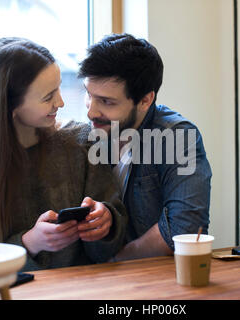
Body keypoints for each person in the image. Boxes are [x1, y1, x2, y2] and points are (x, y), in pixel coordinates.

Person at [0, 37, 127, 271]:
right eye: (48, 97)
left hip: (83, 290)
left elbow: (111, 237)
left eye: (59, 88)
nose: (60, 102)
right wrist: (28, 243)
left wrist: (107, 221)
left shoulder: (82, 142)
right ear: (10, 106)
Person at [71, 33, 212, 261]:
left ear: (145, 100)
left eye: (107, 102)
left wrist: (113, 267)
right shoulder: (88, 136)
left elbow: (184, 230)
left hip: (154, 282)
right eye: (89, 95)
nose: (90, 112)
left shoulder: (177, 137)